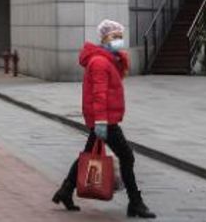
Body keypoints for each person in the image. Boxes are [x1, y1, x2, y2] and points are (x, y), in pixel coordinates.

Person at [52, 19, 156, 219]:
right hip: (105, 120)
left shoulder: (107, 59)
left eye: (120, 37)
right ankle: (136, 203)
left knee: (88, 153)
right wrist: (100, 121)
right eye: (113, 37)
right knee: (127, 157)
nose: (118, 40)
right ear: (103, 38)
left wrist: (120, 60)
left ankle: (65, 191)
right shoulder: (100, 61)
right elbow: (99, 94)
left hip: (105, 118)